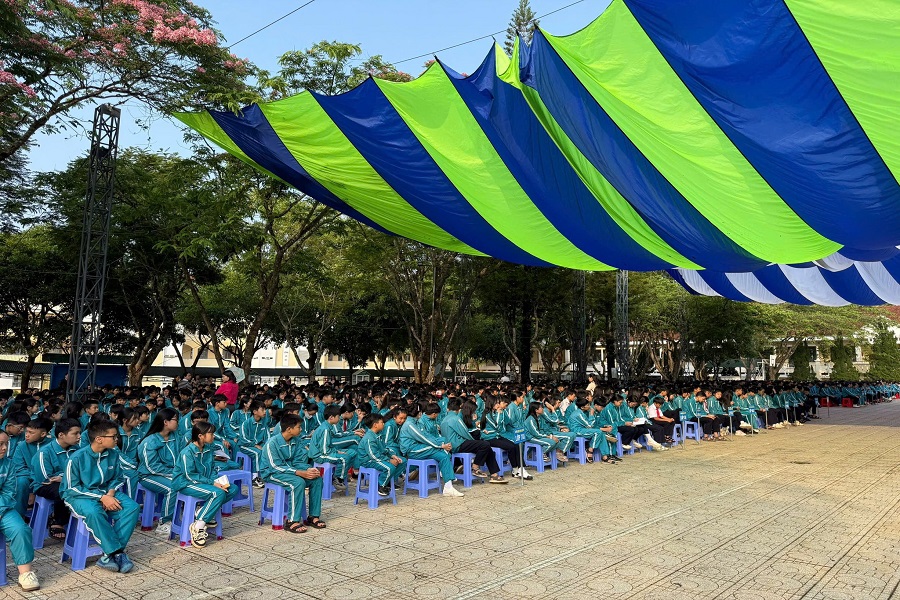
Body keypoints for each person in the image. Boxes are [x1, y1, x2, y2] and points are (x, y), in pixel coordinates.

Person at [61, 420, 140, 573]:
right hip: (79, 496)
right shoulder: (76, 458)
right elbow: (71, 488)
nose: (117, 439)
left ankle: (108, 555)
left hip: (106, 493)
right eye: (114, 436)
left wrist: (110, 493)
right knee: (94, 512)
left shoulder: (113, 454)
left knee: (131, 507)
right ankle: (117, 553)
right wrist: (102, 497)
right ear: (99, 439)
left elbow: (117, 477)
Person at [173, 422, 238, 547]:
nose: (213, 436)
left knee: (232, 488)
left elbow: (212, 469)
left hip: (203, 481)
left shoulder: (208, 449)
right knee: (217, 492)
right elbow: (189, 475)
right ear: (200, 436)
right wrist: (213, 483)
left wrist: (217, 481)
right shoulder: (187, 452)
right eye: (211, 433)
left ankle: (203, 511)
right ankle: (198, 526)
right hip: (185, 483)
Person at [259, 413, 325, 533]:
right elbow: (275, 466)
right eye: (299, 427)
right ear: (289, 429)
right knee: (298, 482)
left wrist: (308, 470)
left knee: (317, 479)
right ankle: (292, 521)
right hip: (271, 473)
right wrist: (299, 472)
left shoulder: (296, 441)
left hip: (290, 470)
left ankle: (313, 516)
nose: (301, 429)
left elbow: (299, 461)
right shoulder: (272, 443)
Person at [0, 430, 41, 591]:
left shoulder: (8, 464)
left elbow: (8, 491)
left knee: (21, 529)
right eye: (0, 445)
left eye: (6, 444)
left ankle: (25, 574)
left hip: (3, 508)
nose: (4, 448)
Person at [399, 402, 464, 497]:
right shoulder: (409, 424)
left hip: (422, 448)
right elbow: (423, 438)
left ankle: (448, 487)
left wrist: (441, 443)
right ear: (419, 412)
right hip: (412, 450)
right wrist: (441, 446)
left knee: (443, 456)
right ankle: (447, 472)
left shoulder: (416, 422)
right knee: (439, 448)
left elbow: (427, 435)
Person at [30, 418, 81, 541]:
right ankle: (57, 521)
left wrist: (63, 477)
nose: (79, 436)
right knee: (63, 490)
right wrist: (68, 477)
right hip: (43, 485)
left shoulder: (77, 450)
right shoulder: (45, 452)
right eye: (75, 433)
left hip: (67, 482)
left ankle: (77, 519)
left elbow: (82, 471)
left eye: (79, 433)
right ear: (61, 435)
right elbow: (46, 478)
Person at [137, 408, 182, 536]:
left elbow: (180, 457)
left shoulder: (175, 437)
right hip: (148, 475)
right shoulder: (150, 441)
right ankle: (164, 523)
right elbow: (152, 467)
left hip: (171, 473)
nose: (177, 422)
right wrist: (175, 473)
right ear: (165, 422)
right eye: (175, 419)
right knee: (172, 487)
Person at [441, 398, 507, 484]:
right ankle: (475, 467)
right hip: (458, 445)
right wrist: (475, 442)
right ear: (459, 408)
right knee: (484, 444)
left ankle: (494, 474)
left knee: (487, 448)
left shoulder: (445, 418)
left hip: (453, 445)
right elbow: (464, 432)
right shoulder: (455, 419)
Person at [307, 405, 358, 491]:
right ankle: (337, 479)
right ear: (331, 417)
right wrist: (337, 453)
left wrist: (337, 451)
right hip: (319, 455)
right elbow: (324, 450)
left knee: (352, 452)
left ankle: (340, 473)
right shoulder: (325, 429)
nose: (339, 419)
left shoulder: (328, 427)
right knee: (344, 458)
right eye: (338, 417)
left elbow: (329, 446)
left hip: (327, 451)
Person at [358, 413, 406, 496]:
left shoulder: (378, 435)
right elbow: (373, 456)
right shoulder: (369, 438)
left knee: (402, 461)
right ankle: (380, 486)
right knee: (389, 467)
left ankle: (388, 482)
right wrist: (388, 460)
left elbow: (384, 449)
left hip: (378, 458)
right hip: (368, 461)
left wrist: (392, 456)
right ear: (375, 425)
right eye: (382, 422)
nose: (383, 424)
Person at [237, 401, 269, 488]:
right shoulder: (246, 424)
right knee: (257, 453)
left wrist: (266, 446)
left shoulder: (264, 424)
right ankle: (255, 478)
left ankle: (264, 475)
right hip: (245, 446)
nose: (265, 411)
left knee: (266, 452)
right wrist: (254, 444)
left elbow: (268, 438)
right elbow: (243, 439)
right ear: (255, 412)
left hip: (258, 446)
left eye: (265, 409)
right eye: (262, 410)